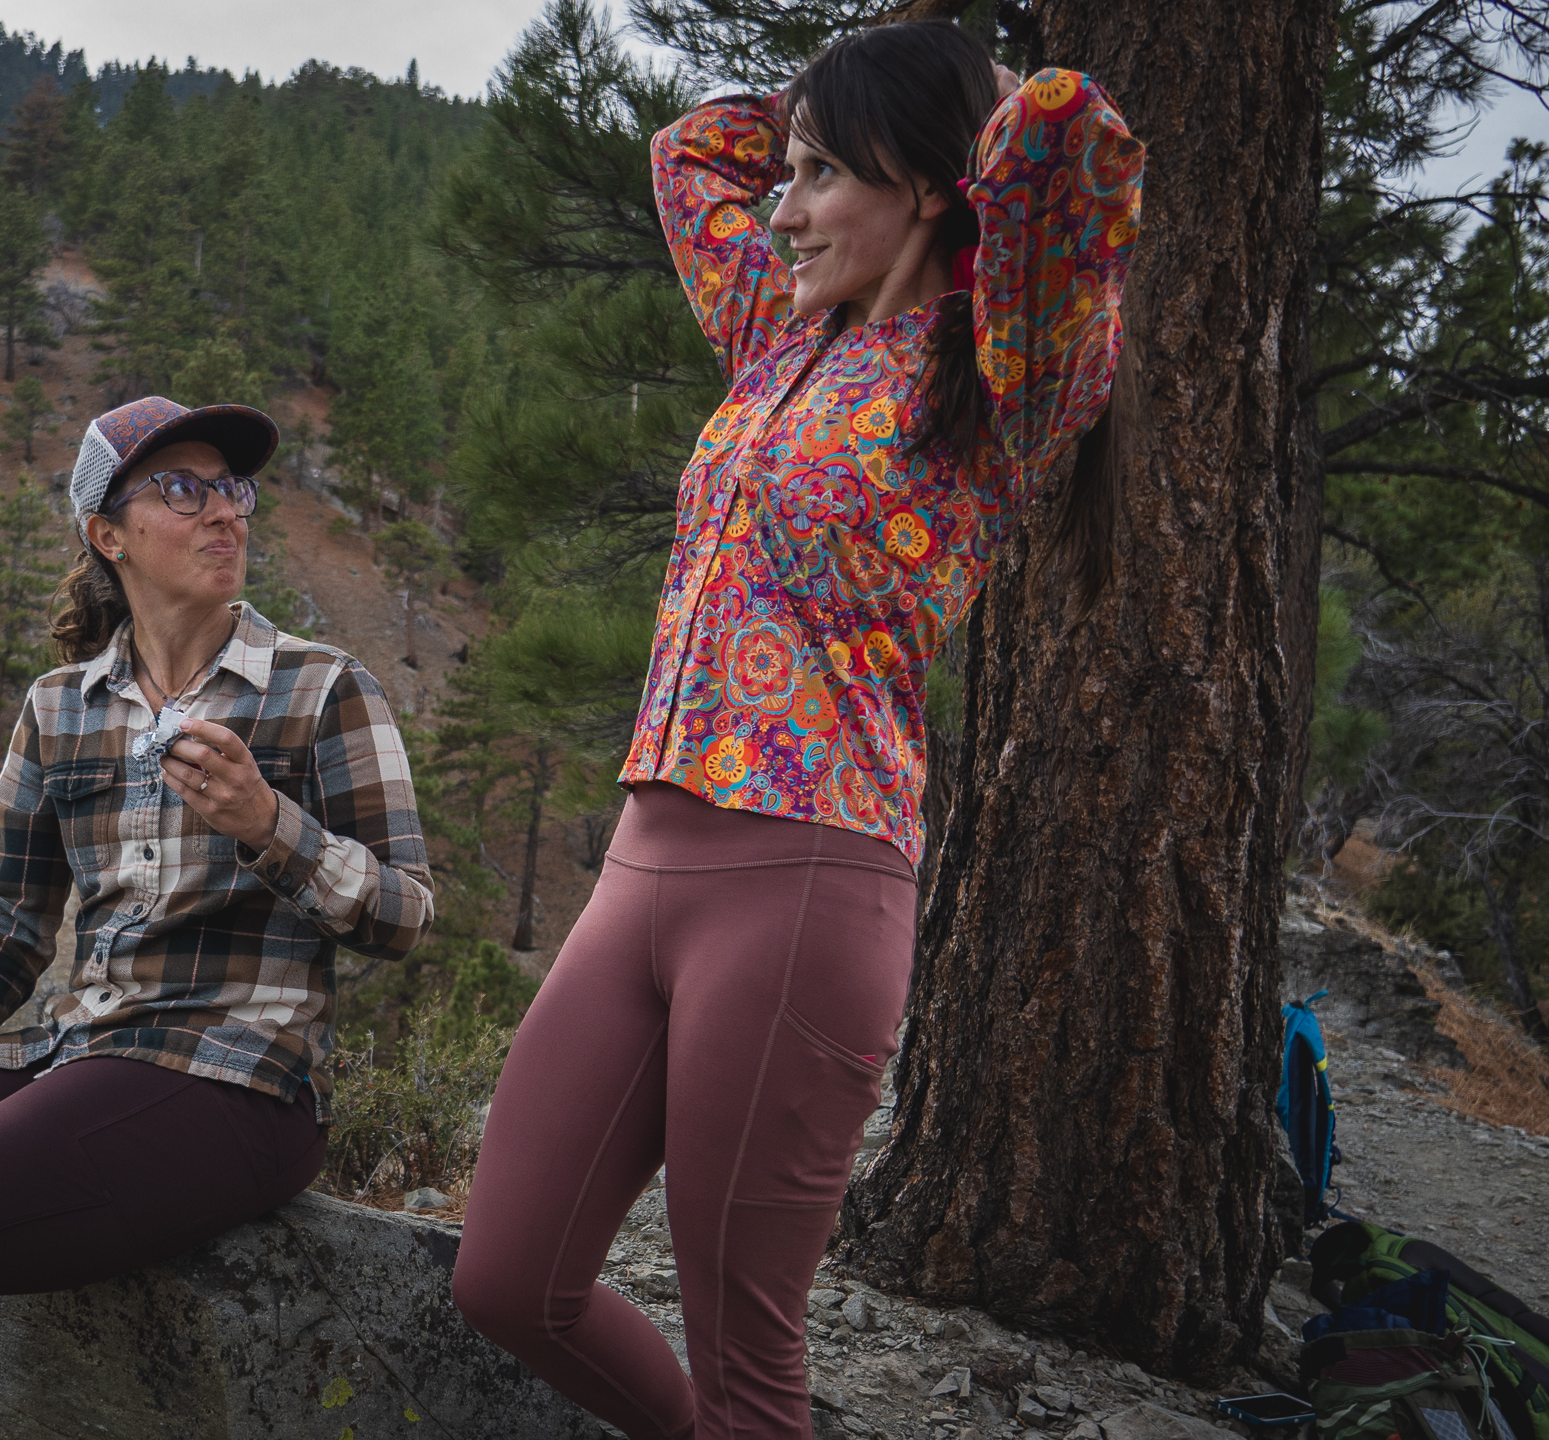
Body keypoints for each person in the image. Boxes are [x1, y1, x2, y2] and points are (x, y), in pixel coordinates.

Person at [452, 22, 1144, 1440]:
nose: (782, 202)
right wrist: (826, 110)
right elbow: (688, 153)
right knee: (509, 1280)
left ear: (933, 184)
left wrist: (958, 97)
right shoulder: (782, 328)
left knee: (751, 1370)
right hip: (642, 868)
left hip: (806, 880)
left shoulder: (1002, 372)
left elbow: (1073, 140)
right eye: (798, 170)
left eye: (824, 175)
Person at [0, 394, 434, 1440]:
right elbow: (5, 926)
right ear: (108, 535)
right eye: (182, 492)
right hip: (78, 1054)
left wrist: (270, 824)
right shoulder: (61, 709)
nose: (225, 513)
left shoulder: (321, 690)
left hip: (237, 1080)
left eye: (232, 489)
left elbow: (407, 914)